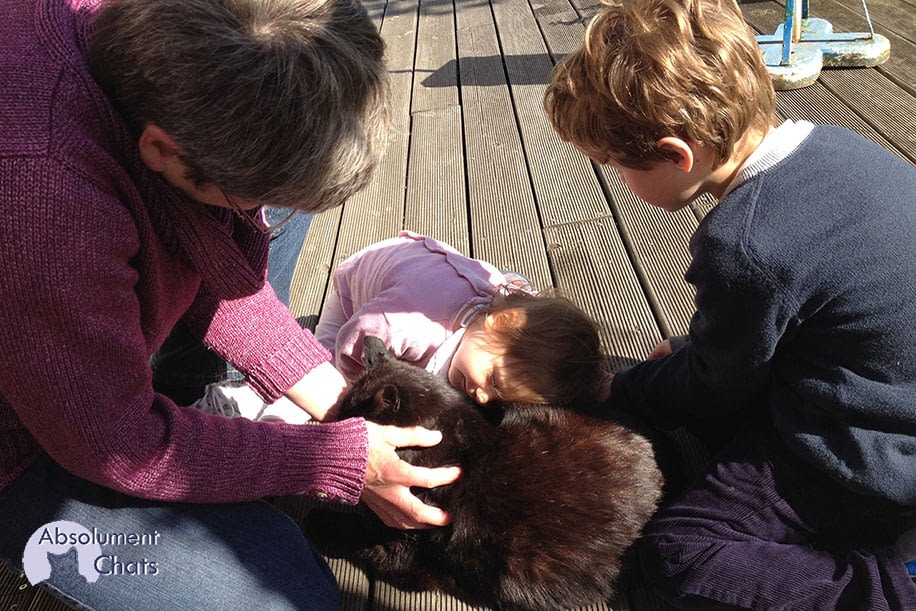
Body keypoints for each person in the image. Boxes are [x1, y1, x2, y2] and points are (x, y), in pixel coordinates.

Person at [0, 0, 460, 609]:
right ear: (162, 148)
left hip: (70, 333)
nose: (249, 213)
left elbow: (212, 254)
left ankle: (185, 392)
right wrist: (337, 459)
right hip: (28, 437)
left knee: (277, 204)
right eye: (242, 196)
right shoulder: (43, 199)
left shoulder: (156, 52)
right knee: (281, 595)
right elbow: (113, 442)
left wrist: (336, 398)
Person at [544, 0, 916, 609]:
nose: (615, 180)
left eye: (615, 166)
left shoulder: (746, 244)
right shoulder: (839, 147)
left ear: (677, 154)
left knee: (679, 556)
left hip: (873, 455)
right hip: (896, 391)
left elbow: (715, 386)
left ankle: (890, 589)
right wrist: (698, 350)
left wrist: (628, 387)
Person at [314, 231, 605, 407]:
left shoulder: (500, 319)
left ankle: (517, 285)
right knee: (319, 373)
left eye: (496, 397)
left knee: (506, 284)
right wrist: (357, 392)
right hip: (354, 288)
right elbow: (351, 341)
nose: (482, 397)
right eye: (493, 380)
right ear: (502, 321)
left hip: (429, 268)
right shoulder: (402, 325)